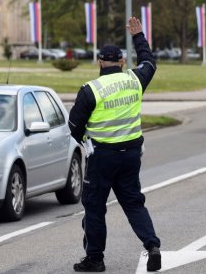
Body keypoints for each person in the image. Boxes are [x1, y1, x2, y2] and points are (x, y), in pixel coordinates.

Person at [69, 17, 161, 272]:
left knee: (95, 208)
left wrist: (86, 139)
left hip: (102, 157)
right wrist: (139, 36)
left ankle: (95, 259)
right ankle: (152, 245)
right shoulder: (135, 80)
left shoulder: (90, 90)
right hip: (131, 154)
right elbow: (149, 62)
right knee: (133, 203)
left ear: (99, 62)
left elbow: (74, 127)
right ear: (121, 62)